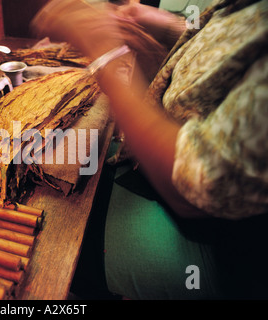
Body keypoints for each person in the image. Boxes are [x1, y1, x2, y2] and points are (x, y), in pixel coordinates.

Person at [32, 0, 268, 299]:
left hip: (223, 246)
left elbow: (195, 186)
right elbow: (239, 41)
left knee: (49, 241)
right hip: (155, 180)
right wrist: (169, 27)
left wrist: (106, 55)